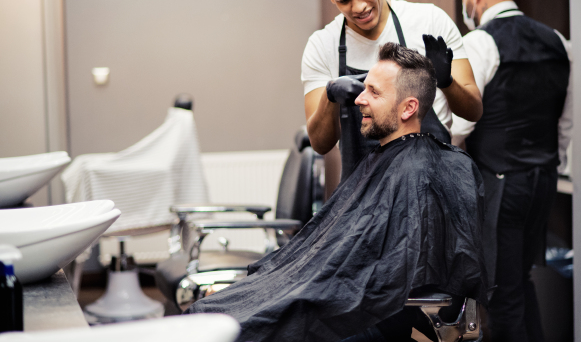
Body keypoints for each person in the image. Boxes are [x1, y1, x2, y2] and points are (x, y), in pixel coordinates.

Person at [186, 44, 488, 342]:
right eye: (363, 89)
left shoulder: (423, 170)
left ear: (408, 107)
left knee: (242, 326)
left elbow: (402, 269)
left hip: (359, 315)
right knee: (210, 314)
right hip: (334, 294)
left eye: (374, 92)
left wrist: (312, 288)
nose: (359, 100)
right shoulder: (383, 160)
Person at [452, 0, 572, 342]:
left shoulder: (480, 42)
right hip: (543, 180)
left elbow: (462, 123)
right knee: (520, 282)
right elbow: (566, 122)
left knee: (502, 295)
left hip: (501, 183)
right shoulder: (558, 40)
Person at [302, 0, 483, 184]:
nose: (359, 7)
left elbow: (474, 111)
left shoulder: (430, 21)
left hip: (432, 185)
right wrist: (329, 96)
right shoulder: (322, 45)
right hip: (361, 198)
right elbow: (320, 144)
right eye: (344, 0)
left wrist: (447, 81)